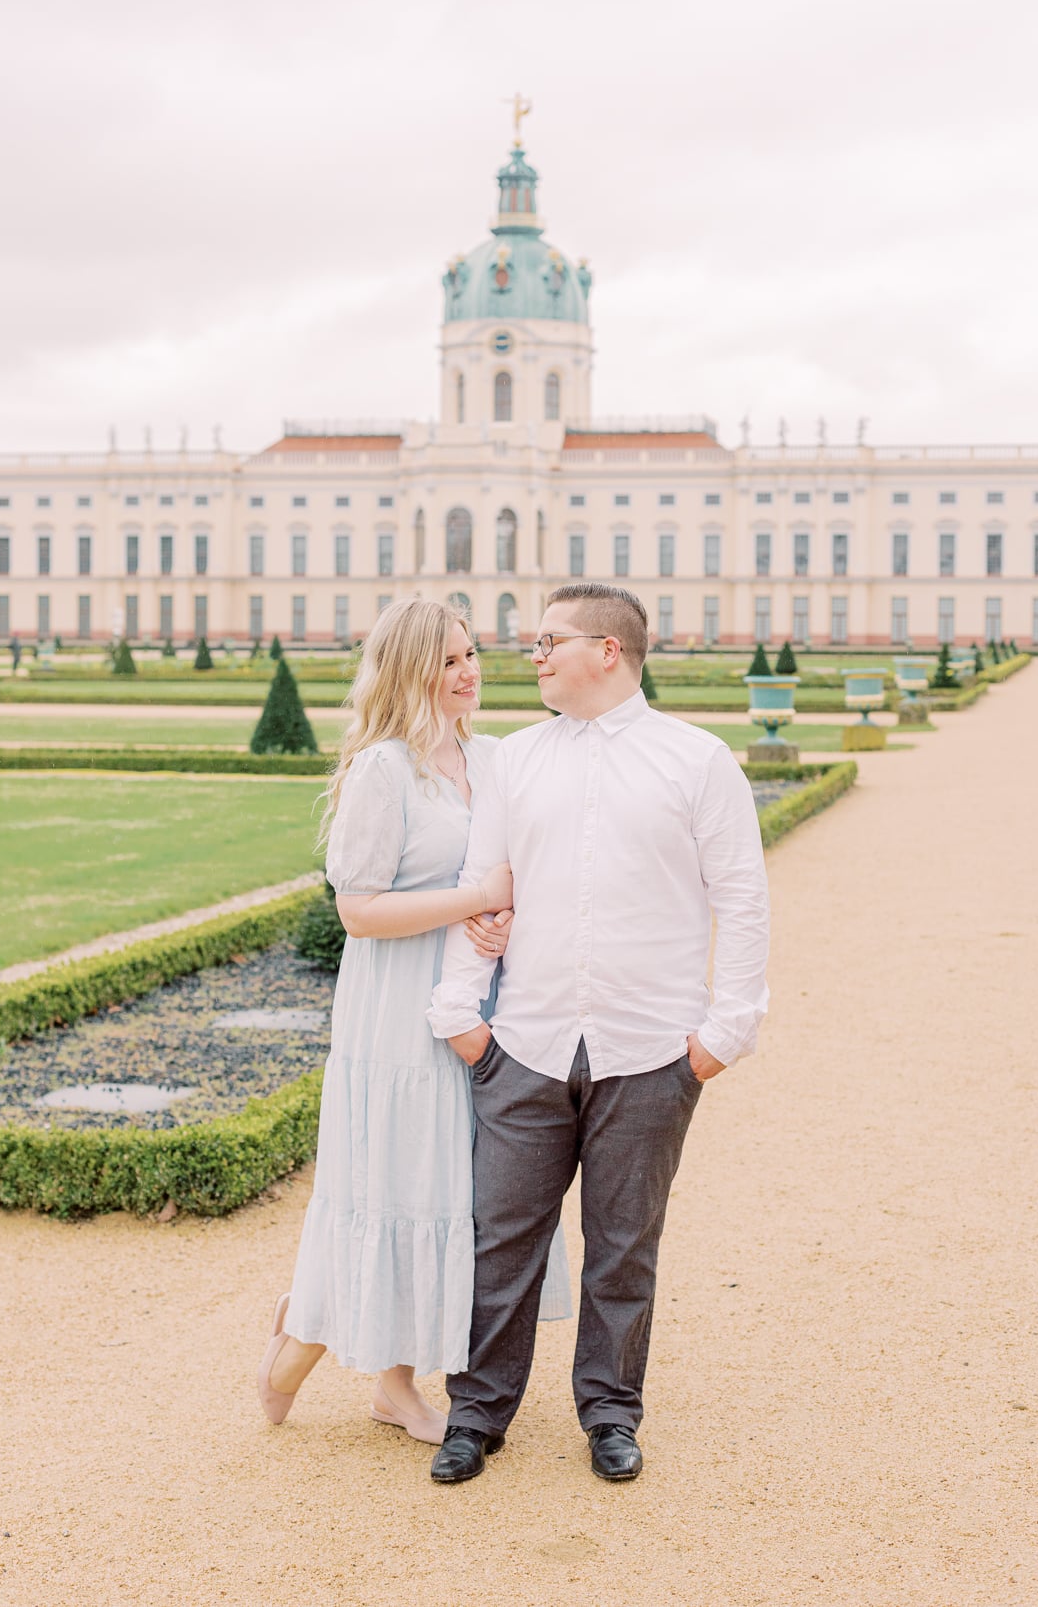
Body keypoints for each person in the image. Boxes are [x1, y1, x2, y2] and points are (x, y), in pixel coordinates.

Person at [426, 583, 770, 1484]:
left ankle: (611, 1413)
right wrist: (462, 1017)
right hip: (527, 1041)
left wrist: (723, 1034)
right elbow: (485, 880)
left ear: (607, 651)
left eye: (549, 640)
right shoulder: (514, 760)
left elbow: (742, 897)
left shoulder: (696, 761)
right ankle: (477, 1413)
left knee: (624, 1247)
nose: (531, 655)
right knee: (501, 1239)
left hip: (651, 1046)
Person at [256, 600, 570, 1444]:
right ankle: (359, 1368)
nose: (470, 672)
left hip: (478, 998)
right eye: (449, 661)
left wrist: (503, 921)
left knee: (456, 1183)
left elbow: (517, 870)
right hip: (396, 1008)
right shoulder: (384, 770)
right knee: (402, 1175)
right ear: (409, 671)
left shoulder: (492, 757)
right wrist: (476, 902)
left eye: (471, 655)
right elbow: (358, 909)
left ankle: (365, 1356)